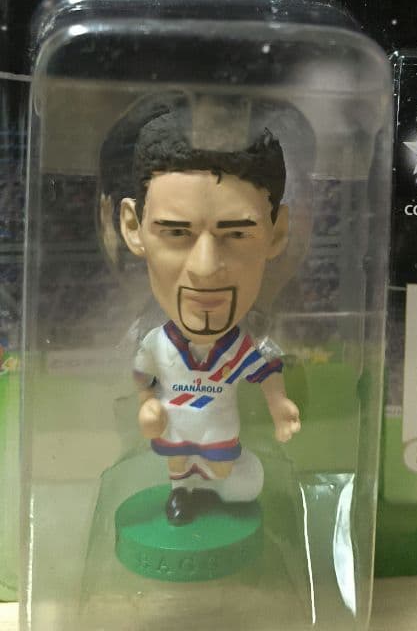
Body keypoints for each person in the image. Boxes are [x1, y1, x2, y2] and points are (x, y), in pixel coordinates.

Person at [118, 104, 300, 525]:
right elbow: (143, 376)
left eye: (236, 233)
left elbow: (264, 369)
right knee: (177, 464)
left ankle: (215, 483)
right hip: (176, 425)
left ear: (276, 232)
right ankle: (182, 492)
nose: (204, 267)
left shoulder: (239, 346)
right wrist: (147, 405)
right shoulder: (156, 342)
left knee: (222, 469)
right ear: (132, 227)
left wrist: (279, 404)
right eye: (176, 232)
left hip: (218, 427)